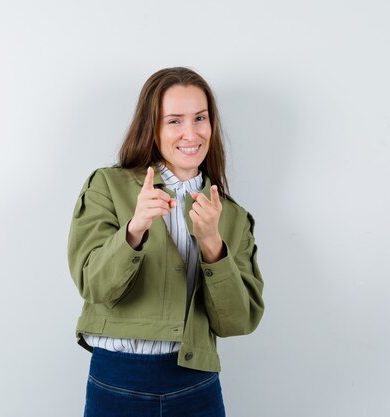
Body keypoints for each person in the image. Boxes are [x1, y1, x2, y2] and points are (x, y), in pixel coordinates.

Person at [67, 67, 265, 417]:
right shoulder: (107, 187)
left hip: (196, 384)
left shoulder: (232, 216)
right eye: (174, 120)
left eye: (200, 118)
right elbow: (93, 286)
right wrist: (134, 230)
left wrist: (213, 247)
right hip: (118, 379)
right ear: (152, 127)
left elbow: (237, 321)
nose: (190, 133)